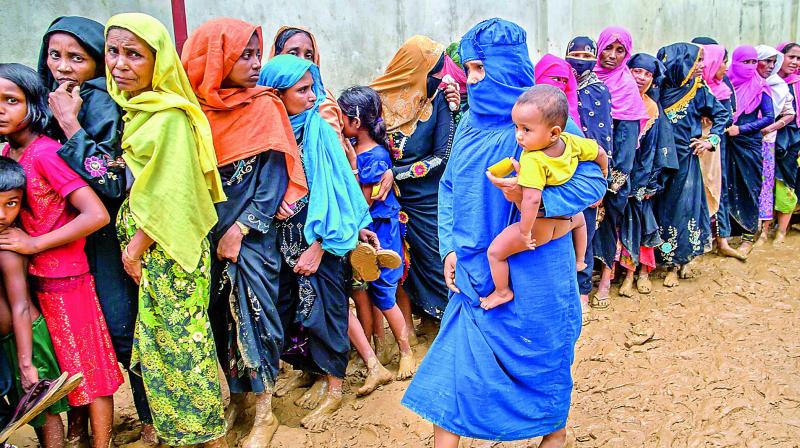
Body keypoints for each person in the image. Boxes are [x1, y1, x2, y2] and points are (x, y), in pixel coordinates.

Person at [402, 18, 606, 448]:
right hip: (477, 277)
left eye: (480, 68)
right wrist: (449, 248)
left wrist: (539, 202)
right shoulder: (471, 124)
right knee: (453, 384)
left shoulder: (545, 121)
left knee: (545, 386)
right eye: (469, 69)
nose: (471, 79)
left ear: (507, 64)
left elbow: (591, 183)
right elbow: (451, 186)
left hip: (536, 280)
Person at [181, 18, 308, 447]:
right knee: (219, 318)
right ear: (216, 58)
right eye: (245, 55)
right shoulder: (192, 112)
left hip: (251, 237)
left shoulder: (264, 106)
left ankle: (266, 411)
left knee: (257, 316)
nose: (256, 64)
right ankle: (238, 398)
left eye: (257, 54)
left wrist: (240, 229)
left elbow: (272, 182)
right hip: (206, 236)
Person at [104, 13, 228, 447]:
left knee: (183, 347)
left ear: (158, 62)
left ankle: (206, 436)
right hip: (154, 256)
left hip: (171, 253)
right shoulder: (135, 111)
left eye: (134, 54)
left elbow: (170, 195)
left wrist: (135, 249)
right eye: (113, 51)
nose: (120, 63)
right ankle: (180, 433)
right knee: (162, 346)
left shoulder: (170, 118)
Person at [36, 16, 155, 444]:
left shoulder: (103, 103)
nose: (64, 67)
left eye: (77, 58)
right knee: (70, 336)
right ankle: (82, 423)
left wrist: (71, 126)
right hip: (61, 239)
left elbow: (110, 180)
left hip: (105, 237)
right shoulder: (42, 100)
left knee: (123, 329)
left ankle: (149, 419)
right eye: (55, 56)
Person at [0, 63, 123, 448]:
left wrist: (34, 244)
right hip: (33, 282)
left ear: (34, 104)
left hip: (66, 279)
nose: (0, 109)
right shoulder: (9, 152)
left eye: (10, 100)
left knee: (91, 368)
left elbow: (95, 214)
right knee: (54, 372)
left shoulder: (47, 153)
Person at [258, 54, 372, 431]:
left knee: (327, 312)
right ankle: (317, 375)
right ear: (276, 95)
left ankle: (335, 389)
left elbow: (338, 190)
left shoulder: (319, 130)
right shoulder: (269, 130)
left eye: (312, 87)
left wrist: (320, 246)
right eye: (302, 90)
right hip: (282, 241)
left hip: (318, 238)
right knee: (293, 311)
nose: (313, 97)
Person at [483, 85, 608, 310]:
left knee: (495, 252)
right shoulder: (572, 142)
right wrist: (605, 171)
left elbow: (530, 201)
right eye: (517, 128)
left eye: (526, 130)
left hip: (542, 226)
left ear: (553, 132)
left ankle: (502, 292)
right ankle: (580, 260)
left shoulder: (532, 159)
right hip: (568, 221)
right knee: (581, 221)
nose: (519, 136)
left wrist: (524, 232)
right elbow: (600, 153)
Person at [370, 36, 456, 334]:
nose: (439, 78)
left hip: (427, 200)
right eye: (433, 72)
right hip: (386, 202)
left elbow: (442, 157)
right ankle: (414, 325)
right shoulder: (374, 102)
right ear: (412, 72)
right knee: (400, 264)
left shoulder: (440, 101)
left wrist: (397, 173)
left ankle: (445, 321)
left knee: (433, 258)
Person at [337, 85, 416, 394]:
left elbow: (365, 201)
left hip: (381, 234)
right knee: (372, 292)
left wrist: (354, 169)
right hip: (373, 233)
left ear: (356, 122)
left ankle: (406, 351)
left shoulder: (372, 157)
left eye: (341, 116)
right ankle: (383, 348)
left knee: (384, 293)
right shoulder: (360, 147)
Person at [0, 157, 67, 447]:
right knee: (28, 409)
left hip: (26, 336)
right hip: (6, 342)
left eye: (11, 203)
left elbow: (21, 306)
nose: (2, 214)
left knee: (45, 409)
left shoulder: (9, 245)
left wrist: (26, 362)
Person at [655, 43, 729, 286]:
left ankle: (678, 265)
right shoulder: (659, 88)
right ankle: (665, 259)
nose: (701, 66)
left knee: (684, 211)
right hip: (660, 161)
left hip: (686, 161)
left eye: (702, 61)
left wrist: (711, 140)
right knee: (662, 211)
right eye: (696, 61)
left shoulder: (698, 90)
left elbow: (722, 115)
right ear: (679, 62)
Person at [592, 26, 650, 304]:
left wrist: (610, 180)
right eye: (608, 48)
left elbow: (627, 141)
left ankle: (605, 277)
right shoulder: (589, 78)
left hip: (614, 174)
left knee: (611, 222)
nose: (612, 56)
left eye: (620, 51)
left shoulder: (627, 87)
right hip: (588, 168)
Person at [564, 36, 614, 311]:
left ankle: (583, 292)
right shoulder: (559, 86)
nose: (580, 61)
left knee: (586, 234)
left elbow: (604, 138)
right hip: (560, 174)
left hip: (588, 173)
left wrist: (599, 184)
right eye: (575, 55)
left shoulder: (598, 90)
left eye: (587, 56)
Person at [621, 53, 675, 295]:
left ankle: (642, 273)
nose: (641, 77)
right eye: (637, 71)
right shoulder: (617, 99)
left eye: (648, 74)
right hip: (620, 177)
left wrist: (647, 183)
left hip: (642, 179)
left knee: (643, 224)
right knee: (622, 227)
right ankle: (625, 274)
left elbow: (653, 150)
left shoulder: (652, 108)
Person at [725, 45, 774, 255]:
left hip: (749, 144)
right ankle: (724, 237)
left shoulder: (760, 86)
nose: (750, 66)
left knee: (750, 186)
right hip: (727, 144)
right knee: (726, 186)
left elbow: (769, 117)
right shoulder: (725, 84)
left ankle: (748, 236)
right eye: (746, 62)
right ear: (735, 62)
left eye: (754, 62)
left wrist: (742, 129)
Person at [699, 43, 744, 260]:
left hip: (717, 146)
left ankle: (722, 239)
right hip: (696, 146)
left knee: (719, 186)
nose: (725, 67)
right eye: (722, 61)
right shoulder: (693, 87)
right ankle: (699, 242)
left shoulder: (723, 87)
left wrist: (716, 121)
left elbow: (727, 115)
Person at [755, 45, 794, 245]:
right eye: (766, 61)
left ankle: (763, 231)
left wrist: (771, 127)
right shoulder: (743, 83)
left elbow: (790, 113)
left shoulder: (778, 85)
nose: (771, 66)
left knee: (766, 185)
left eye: (773, 61)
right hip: (741, 142)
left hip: (767, 142)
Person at [774, 42, 800, 242]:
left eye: (799, 59)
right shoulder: (767, 81)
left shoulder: (797, 83)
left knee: (787, 181)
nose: (795, 62)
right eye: (791, 57)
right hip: (767, 138)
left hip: (793, 141)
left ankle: (782, 231)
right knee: (766, 182)